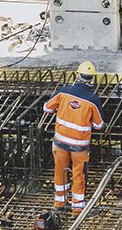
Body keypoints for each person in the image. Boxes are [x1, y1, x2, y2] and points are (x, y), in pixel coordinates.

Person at [43, 61, 105, 215]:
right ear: (92, 79)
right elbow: (99, 125)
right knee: (79, 175)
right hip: (79, 146)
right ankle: (77, 208)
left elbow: (46, 108)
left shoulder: (63, 92)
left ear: (77, 75)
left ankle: (59, 202)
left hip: (61, 142)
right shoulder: (93, 100)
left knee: (60, 171)